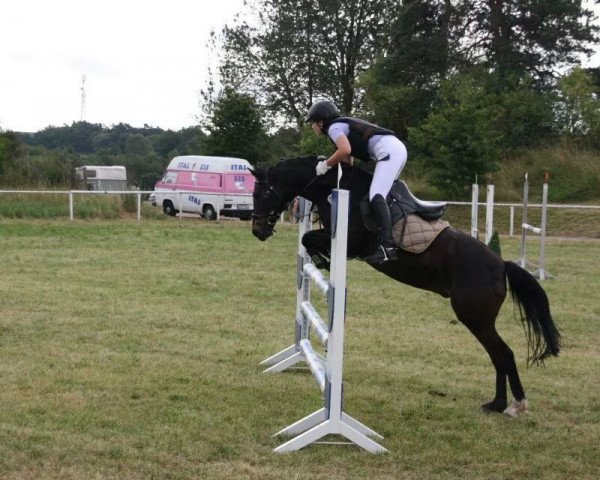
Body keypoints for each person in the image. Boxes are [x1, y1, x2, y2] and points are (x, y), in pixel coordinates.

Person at [305, 100, 407, 264]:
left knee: (376, 195)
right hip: (393, 150)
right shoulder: (340, 126)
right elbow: (347, 159)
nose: (312, 127)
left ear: (321, 121)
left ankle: (387, 248)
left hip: (389, 151)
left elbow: (345, 149)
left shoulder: (333, 128)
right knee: (374, 195)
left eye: (312, 123)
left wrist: (325, 165)